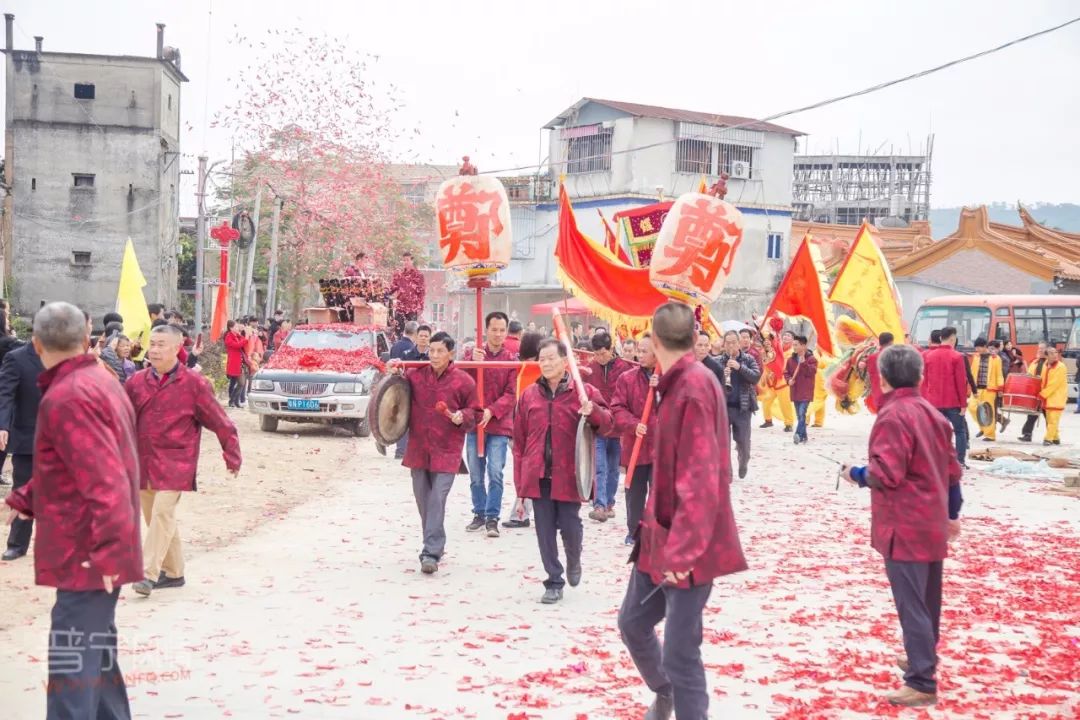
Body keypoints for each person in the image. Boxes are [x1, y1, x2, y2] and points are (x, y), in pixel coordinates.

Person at [4, 301, 141, 719]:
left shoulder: (67, 396)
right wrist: (27, 497)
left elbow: (106, 481)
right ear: (87, 340)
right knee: (95, 655)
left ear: (35, 341)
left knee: (71, 662)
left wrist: (105, 554)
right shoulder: (100, 382)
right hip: (96, 546)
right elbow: (71, 464)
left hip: (88, 551)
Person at [618, 302, 746, 720]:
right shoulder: (673, 382)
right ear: (695, 338)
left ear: (654, 341)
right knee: (633, 623)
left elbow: (701, 480)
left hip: (689, 544)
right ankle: (665, 692)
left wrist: (683, 553)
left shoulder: (693, 386)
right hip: (659, 534)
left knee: (681, 653)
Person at [840, 344, 963, 708]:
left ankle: (922, 681)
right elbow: (953, 471)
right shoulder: (933, 414)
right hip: (932, 520)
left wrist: (855, 474)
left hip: (905, 523)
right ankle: (921, 655)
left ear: (883, 378)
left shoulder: (893, 416)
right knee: (927, 599)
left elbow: (885, 474)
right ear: (921, 376)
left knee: (912, 602)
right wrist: (953, 514)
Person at [126, 326, 241, 597]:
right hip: (143, 460)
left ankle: (147, 573)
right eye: (151, 344)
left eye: (161, 345)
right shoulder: (136, 382)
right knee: (156, 517)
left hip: (177, 460)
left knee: (162, 513)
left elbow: (219, 421)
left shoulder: (194, 384)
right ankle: (174, 572)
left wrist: (232, 453)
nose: (154, 350)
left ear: (177, 348)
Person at [513, 338, 612, 603]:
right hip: (538, 474)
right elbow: (519, 443)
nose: (545, 363)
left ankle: (574, 558)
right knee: (544, 530)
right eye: (541, 359)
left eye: (551, 358)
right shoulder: (529, 395)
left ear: (565, 361)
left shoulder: (583, 392)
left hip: (570, 473)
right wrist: (520, 487)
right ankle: (553, 580)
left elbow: (607, 423)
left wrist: (593, 413)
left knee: (570, 525)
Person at [391, 332, 478, 575]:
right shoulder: (415, 376)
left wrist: (464, 416)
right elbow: (395, 392)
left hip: (447, 450)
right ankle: (434, 543)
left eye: (440, 351)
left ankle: (430, 552)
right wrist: (392, 369)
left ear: (451, 353)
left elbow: (475, 412)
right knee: (423, 500)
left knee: (437, 498)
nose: (435, 355)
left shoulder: (464, 382)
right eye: (432, 350)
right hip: (419, 448)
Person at [465, 312, 517, 537]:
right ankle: (479, 512)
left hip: (499, 424)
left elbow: (511, 394)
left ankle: (492, 516)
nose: (497, 334)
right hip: (475, 423)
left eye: (501, 330)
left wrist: (492, 410)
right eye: (493, 329)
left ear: (506, 331)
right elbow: (460, 381)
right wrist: (470, 363)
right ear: (486, 330)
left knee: (495, 471)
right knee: (476, 473)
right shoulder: (472, 355)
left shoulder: (511, 360)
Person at [612, 333, 660, 545]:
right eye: (638, 350)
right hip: (636, 447)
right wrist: (633, 424)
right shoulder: (627, 378)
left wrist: (662, 387)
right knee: (634, 492)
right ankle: (634, 531)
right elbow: (617, 407)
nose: (639, 355)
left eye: (644, 351)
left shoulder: (670, 377)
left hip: (662, 447)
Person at [0, 334, 44, 560]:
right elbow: (5, 394)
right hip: (28, 435)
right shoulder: (16, 358)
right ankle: (17, 543)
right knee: (22, 487)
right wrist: (2, 425)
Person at [586, 332, 632, 522]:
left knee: (613, 468)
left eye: (603, 353)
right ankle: (599, 505)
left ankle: (610, 502)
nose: (599, 358)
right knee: (600, 466)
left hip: (618, 426)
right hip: (598, 424)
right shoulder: (590, 369)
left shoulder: (626, 369)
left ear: (611, 349)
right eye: (596, 354)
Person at [704, 331, 761, 479]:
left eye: (734, 342)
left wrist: (739, 367)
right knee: (723, 443)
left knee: (743, 442)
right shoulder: (716, 361)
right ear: (723, 344)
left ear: (739, 342)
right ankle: (727, 472)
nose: (731, 345)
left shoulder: (748, 359)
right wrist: (722, 374)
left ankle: (743, 462)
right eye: (727, 343)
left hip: (743, 408)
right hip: (723, 408)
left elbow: (755, 377)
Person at [922, 327, 971, 466]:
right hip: (953, 402)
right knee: (959, 431)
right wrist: (963, 404)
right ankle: (959, 461)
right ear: (952, 339)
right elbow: (961, 383)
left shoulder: (928, 356)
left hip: (934, 402)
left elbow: (925, 382)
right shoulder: (957, 356)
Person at [759, 318, 795, 432]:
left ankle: (789, 424)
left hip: (783, 381)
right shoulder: (775, 347)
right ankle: (768, 420)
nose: (786, 337)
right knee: (766, 400)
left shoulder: (793, 353)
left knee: (785, 404)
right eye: (785, 335)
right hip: (771, 381)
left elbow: (788, 366)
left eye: (789, 336)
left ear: (793, 340)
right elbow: (768, 360)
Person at [968, 338, 1004, 442]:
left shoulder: (996, 359)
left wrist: (1000, 388)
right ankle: (983, 428)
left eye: (978, 347)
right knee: (972, 407)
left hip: (990, 389)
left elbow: (999, 375)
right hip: (977, 389)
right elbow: (972, 373)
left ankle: (990, 435)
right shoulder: (976, 357)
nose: (976, 349)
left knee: (989, 411)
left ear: (984, 346)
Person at [784, 335, 818, 444]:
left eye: (796, 345)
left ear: (803, 346)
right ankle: (804, 437)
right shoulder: (791, 360)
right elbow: (786, 372)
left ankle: (798, 434)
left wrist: (803, 363)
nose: (793, 347)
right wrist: (789, 380)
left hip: (805, 392)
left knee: (802, 413)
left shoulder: (812, 359)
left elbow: (811, 372)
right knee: (799, 416)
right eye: (793, 345)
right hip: (795, 391)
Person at [1037, 345, 1066, 446]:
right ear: (1047, 356)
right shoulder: (1045, 365)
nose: (1055, 355)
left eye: (1056, 352)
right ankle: (1056, 438)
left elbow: (1054, 384)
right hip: (1048, 398)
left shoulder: (1060, 367)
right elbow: (1042, 380)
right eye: (1052, 353)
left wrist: (1043, 394)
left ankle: (1048, 439)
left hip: (1056, 397)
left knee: (1053, 420)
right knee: (1050, 419)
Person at [1019, 342, 1049, 442]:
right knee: (1031, 414)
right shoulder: (1035, 362)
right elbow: (1029, 376)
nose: (1039, 350)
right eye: (1039, 348)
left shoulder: (1050, 363)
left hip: (1045, 393)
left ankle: (1053, 436)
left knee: (1048, 416)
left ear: (1047, 350)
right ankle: (1027, 434)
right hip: (1035, 393)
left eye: (1042, 348)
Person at [866, 333, 895, 414]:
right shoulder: (894, 357)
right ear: (891, 343)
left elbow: (869, 374)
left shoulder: (871, 358)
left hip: (877, 396)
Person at [224, 320, 248, 408]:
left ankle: (235, 401)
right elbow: (238, 345)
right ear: (231, 328)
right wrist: (246, 338)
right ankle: (232, 401)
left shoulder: (237, 335)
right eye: (236, 327)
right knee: (239, 383)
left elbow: (244, 341)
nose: (238, 328)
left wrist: (244, 333)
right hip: (234, 363)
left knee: (241, 383)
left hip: (240, 363)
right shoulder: (228, 337)